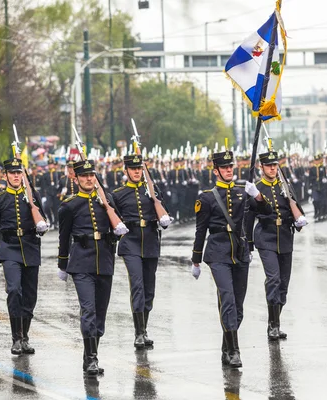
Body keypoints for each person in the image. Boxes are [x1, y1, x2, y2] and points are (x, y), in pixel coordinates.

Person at [190, 147, 272, 368]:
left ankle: (226, 347)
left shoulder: (242, 191)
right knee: (227, 299)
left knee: (238, 305)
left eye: (230, 166)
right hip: (217, 252)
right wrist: (196, 259)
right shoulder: (206, 198)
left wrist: (257, 195)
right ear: (215, 171)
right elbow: (201, 230)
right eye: (224, 167)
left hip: (240, 251)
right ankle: (235, 351)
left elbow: (267, 212)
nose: (228, 170)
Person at [57, 160, 128, 375]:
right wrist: (63, 264)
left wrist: (107, 202)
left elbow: (118, 225)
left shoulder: (107, 200)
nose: (89, 179)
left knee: (100, 314)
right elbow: (64, 237)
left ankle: (90, 353)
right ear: (76, 178)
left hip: (105, 260)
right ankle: (91, 359)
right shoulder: (69, 205)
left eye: (92, 175)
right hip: (81, 263)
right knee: (88, 310)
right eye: (84, 176)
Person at [245, 149, 308, 341]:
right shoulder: (256, 188)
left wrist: (298, 222)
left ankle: (275, 321)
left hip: (285, 238)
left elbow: (297, 208)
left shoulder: (285, 186)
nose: (272, 169)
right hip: (266, 237)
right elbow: (248, 218)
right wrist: (248, 245)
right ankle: (273, 326)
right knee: (273, 279)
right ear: (261, 167)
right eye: (269, 166)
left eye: (275, 165)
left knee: (284, 286)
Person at [0, 158, 48, 355]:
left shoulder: (32, 196)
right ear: (5, 176)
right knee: (14, 290)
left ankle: (25, 336)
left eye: (18, 172)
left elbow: (42, 220)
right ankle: (16, 338)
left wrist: (42, 227)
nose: (16, 176)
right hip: (10, 248)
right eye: (12, 173)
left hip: (30, 247)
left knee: (30, 295)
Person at [112, 153, 172, 349]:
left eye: (139, 169)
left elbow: (162, 213)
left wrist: (161, 212)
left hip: (150, 241)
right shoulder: (118, 194)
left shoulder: (152, 191)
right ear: (126, 171)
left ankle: (144, 329)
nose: (136, 172)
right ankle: (138, 333)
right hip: (130, 242)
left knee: (149, 288)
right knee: (137, 285)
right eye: (133, 169)